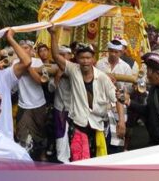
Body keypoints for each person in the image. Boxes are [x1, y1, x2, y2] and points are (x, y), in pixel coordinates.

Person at [48, 27, 125, 161]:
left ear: (93, 59)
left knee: (98, 161)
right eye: (82, 58)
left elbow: (117, 98)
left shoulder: (102, 77)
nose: (85, 61)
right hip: (79, 124)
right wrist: (53, 35)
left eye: (88, 58)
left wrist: (122, 122)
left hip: (97, 125)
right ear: (76, 58)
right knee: (79, 159)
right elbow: (55, 56)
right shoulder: (73, 70)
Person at [15, 40, 47, 161]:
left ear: (31, 50)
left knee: (41, 130)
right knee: (21, 132)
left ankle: (42, 154)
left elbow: (39, 81)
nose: (24, 50)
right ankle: (24, 159)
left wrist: (27, 67)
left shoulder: (37, 61)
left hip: (39, 103)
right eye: (21, 48)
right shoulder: (14, 63)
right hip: (23, 104)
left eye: (26, 48)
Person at [48, 45, 72, 163]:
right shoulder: (54, 68)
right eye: (60, 55)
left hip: (73, 107)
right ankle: (61, 158)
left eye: (64, 55)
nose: (62, 57)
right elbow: (51, 89)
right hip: (59, 106)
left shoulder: (75, 68)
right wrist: (57, 77)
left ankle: (71, 157)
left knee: (72, 132)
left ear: (70, 56)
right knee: (60, 132)